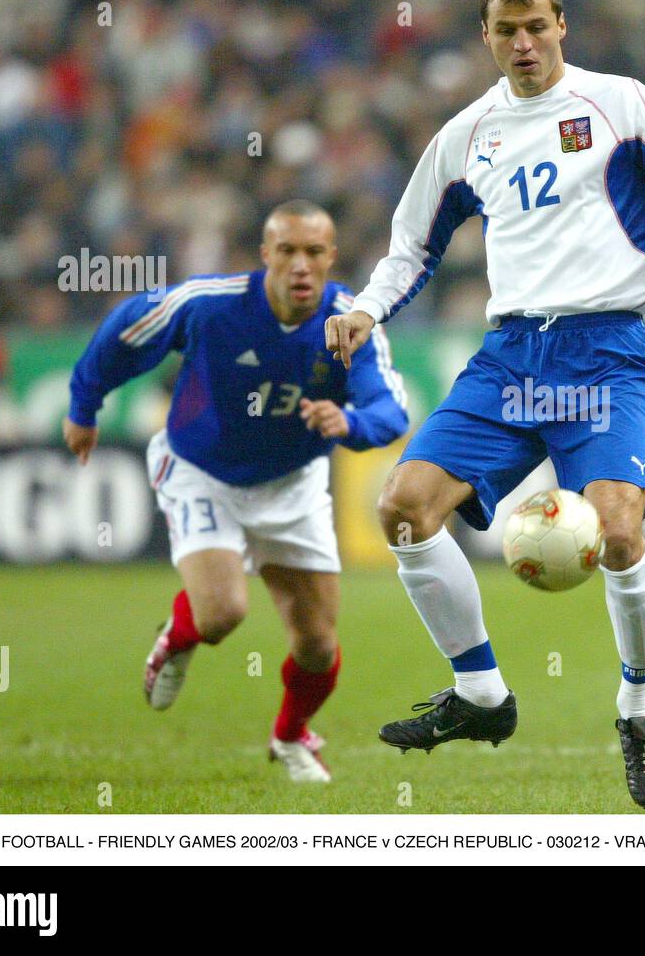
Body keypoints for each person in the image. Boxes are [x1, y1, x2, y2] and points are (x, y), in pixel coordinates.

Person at [324, 0, 645, 808]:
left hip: (610, 350)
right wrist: (369, 310)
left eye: (537, 27)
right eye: (506, 31)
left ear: (562, 27)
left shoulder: (617, 103)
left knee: (618, 532)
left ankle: (639, 708)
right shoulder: (464, 137)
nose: (523, 44)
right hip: (512, 357)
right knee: (405, 507)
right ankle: (481, 694)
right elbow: (413, 245)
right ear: (485, 38)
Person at [64, 200, 409, 783]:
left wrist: (351, 424)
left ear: (331, 258)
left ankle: (290, 735)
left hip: (293, 484)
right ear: (265, 256)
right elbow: (123, 331)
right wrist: (83, 405)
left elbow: (390, 408)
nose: (301, 265)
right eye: (288, 251)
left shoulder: (351, 321)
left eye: (314, 253)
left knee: (318, 646)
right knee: (222, 613)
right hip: (202, 468)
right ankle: (177, 638)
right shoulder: (209, 303)